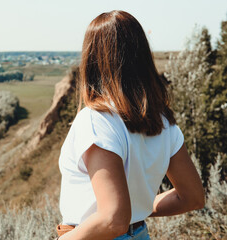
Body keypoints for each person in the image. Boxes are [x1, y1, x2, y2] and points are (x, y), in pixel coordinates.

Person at [55, 10, 205, 240]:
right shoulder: (164, 122)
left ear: (92, 60)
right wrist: (137, 208)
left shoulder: (96, 120)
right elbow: (193, 197)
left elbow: (112, 220)